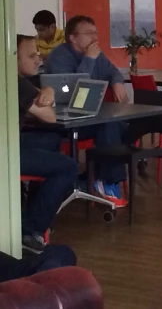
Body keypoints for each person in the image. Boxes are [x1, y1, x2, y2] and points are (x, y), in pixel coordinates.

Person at [45, 16, 128, 206]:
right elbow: (75, 88)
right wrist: (89, 60)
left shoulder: (96, 54)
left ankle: (94, 177)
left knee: (124, 127)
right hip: (64, 120)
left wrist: (117, 82)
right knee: (109, 126)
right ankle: (108, 182)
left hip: (90, 116)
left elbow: (113, 71)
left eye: (96, 32)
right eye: (89, 33)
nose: (95, 37)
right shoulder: (59, 57)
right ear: (73, 38)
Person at [16, 35, 78, 253]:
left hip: (11, 142)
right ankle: (30, 230)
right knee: (68, 167)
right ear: (13, 58)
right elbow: (49, 116)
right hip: (7, 151)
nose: (38, 60)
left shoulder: (20, 81)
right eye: (31, 56)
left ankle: (30, 208)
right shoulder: (16, 83)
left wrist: (48, 91)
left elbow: (44, 94)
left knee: (51, 140)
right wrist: (46, 94)